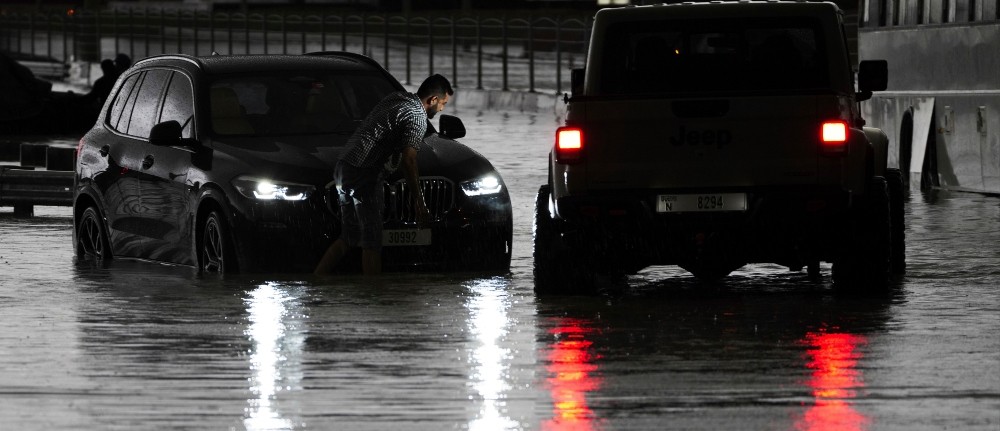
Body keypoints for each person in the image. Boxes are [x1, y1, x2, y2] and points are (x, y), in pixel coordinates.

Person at [314, 74, 454, 276]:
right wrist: (419, 201)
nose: (441, 109)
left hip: (344, 166)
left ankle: (316, 281)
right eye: (443, 103)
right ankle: (373, 292)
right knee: (372, 241)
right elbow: (409, 160)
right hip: (365, 172)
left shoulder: (397, 97)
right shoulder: (417, 116)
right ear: (433, 100)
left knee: (349, 236)